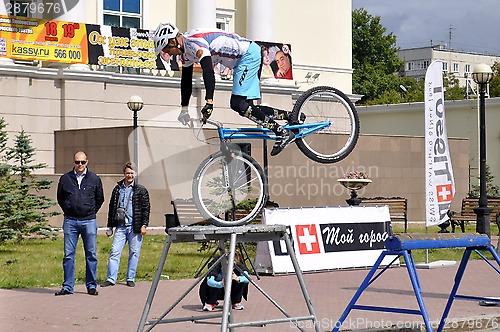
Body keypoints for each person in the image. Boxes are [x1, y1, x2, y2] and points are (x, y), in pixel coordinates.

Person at [153, 23, 295, 156]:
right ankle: (291, 116)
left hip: (247, 55)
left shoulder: (195, 44)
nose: (169, 54)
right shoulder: (185, 53)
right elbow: (186, 81)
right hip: (243, 59)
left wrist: (209, 102)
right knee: (247, 107)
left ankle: (281, 133)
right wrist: (184, 109)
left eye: (167, 50)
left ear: (172, 42)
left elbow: (208, 71)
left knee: (238, 104)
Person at [55, 151, 104, 296]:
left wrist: (89, 211)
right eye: (77, 162)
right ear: (73, 162)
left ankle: (91, 286)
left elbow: (100, 198)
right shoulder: (65, 178)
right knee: (69, 255)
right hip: (70, 221)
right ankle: (68, 286)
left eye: (82, 162)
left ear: (87, 162)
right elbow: (60, 198)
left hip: (89, 220)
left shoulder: (94, 179)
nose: (80, 165)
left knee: (91, 254)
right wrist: (69, 209)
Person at [101, 162, 150, 288]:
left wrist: (144, 225)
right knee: (114, 252)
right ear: (124, 174)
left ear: (135, 174)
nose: (129, 175)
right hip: (121, 226)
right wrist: (110, 226)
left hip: (135, 226)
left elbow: (146, 209)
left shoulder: (141, 190)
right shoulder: (117, 189)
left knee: (134, 253)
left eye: (132, 173)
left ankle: (130, 278)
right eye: (127, 173)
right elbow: (112, 207)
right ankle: (111, 279)